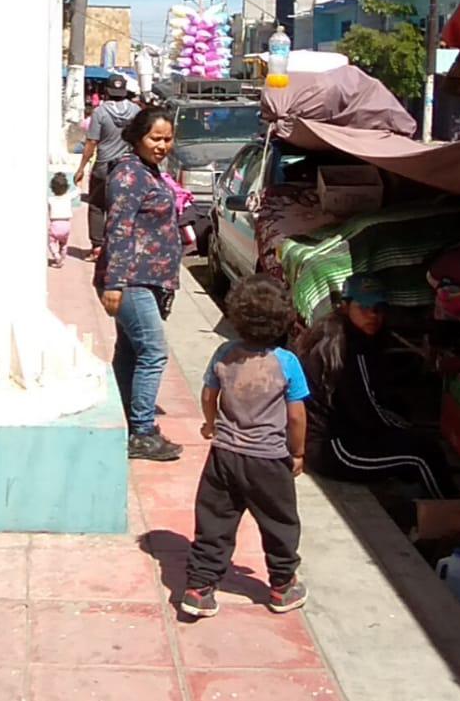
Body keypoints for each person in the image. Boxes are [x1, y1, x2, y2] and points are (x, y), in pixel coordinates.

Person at [181, 275, 311, 618]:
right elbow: (296, 416)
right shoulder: (287, 362)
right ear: (283, 319)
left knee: (214, 521)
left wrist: (211, 423)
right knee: (279, 522)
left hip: (224, 455)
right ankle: (282, 585)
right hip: (269, 460)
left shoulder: (224, 354)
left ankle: (199, 588)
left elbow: (209, 394)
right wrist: (297, 452)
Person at [293, 276, 459, 498]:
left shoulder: (336, 332)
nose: (373, 315)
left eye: (378, 309)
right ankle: (451, 510)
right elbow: (367, 410)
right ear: (346, 306)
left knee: (418, 445)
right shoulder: (348, 348)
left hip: (340, 438)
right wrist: (407, 429)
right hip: (335, 447)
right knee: (424, 454)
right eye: (364, 308)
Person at [97, 105, 185, 461]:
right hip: (131, 279)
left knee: (130, 352)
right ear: (137, 138)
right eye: (155, 138)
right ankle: (142, 431)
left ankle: (126, 419)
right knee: (153, 350)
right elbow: (119, 227)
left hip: (148, 279)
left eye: (167, 139)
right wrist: (114, 282)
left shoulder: (149, 172)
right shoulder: (129, 175)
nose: (162, 145)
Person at [74, 75, 141, 261]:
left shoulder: (100, 112)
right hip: (127, 166)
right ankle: (120, 246)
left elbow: (91, 142)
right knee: (123, 207)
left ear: (106, 91)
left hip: (103, 166)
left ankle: (97, 247)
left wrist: (81, 167)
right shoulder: (135, 111)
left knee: (97, 205)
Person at [48, 172, 74, 268]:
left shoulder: (50, 199)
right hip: (66, 224)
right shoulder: (68, 197)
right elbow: (79, 191)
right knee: (64, 244)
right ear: (67, 187)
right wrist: (79, 182)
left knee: (51, 242)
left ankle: (56, 256)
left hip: (55, 224)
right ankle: (62, 258)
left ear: (52, 188)